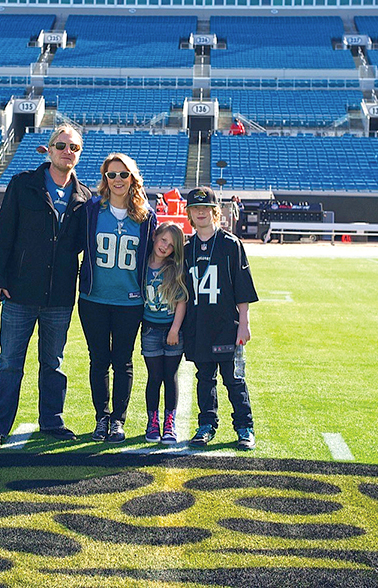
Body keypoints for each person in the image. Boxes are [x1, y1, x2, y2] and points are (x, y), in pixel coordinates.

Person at [0, 124, 92, 452]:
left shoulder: (84, 197)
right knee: (10, 362)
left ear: (79, 154)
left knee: (53, 362)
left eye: (73, 147)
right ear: (49, 148)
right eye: (61, 145)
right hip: (20, 290)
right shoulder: (23, 185)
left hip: (60, 295)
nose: (66, 151)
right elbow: (4, 235)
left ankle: (51, 420)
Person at [78, 152, 157, 443]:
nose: (118, 180)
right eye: (112, 175)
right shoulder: (91, 210)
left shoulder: (146, 215)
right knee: (98, 360)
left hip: (130, 301)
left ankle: (119, 421)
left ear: (132, 178)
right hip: (94, 298)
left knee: (123, 361)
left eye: (123, 174)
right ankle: (102, 417)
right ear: (105, 179)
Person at [183, 186, 259, 450]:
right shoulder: (187, 247)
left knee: (234, 380)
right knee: (204, 379)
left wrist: (244, 324)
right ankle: (206, 424)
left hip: (228, 326)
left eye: (206, 208)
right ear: (189, 213)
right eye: (195, 208)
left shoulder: (230, 244)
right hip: (199, 326)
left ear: (215, 212)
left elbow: (242, 287)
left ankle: (244, 427)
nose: (200, 212)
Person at [141, 222, 188, 445]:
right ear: (154, 237)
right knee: (154, 377)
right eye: (163, 240)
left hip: (171, 332)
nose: (165, 247)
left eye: (170, 245)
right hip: (149, 330)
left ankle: (170, 421)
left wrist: (175, 329)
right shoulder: (141, 265)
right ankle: (153, 421)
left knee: (170, 377)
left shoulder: (173, 269)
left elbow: (181, 301)